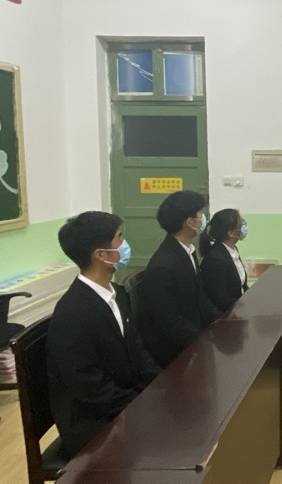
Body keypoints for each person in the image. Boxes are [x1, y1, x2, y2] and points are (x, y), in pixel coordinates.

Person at [47, 211, 159, 460]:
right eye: (120, 238)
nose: (125, 244)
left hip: (123, 402)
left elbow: (136, 350)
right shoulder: (73, 312)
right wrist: (138, 405)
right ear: (100, 254)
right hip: (93, 422)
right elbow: (87, 384)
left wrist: (161, 386)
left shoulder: (117, 293)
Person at [136, 190, 220, 368]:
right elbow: (169, 321)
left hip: (194, 339)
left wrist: (221, 322)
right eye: (200, 213)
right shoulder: (163, 266)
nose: (203, 217)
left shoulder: (187, 251)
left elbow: (199, 297)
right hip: (176, 354)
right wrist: (203, 341)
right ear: (189, 222)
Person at [199, 208, 249, 313]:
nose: (243, 226)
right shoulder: (215, 260)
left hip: (238, 311)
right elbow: (220, 299)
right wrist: (244, 305)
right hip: (225, 315)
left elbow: (242, 285)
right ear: (230, 233)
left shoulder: (233, 250)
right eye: (240, 224)